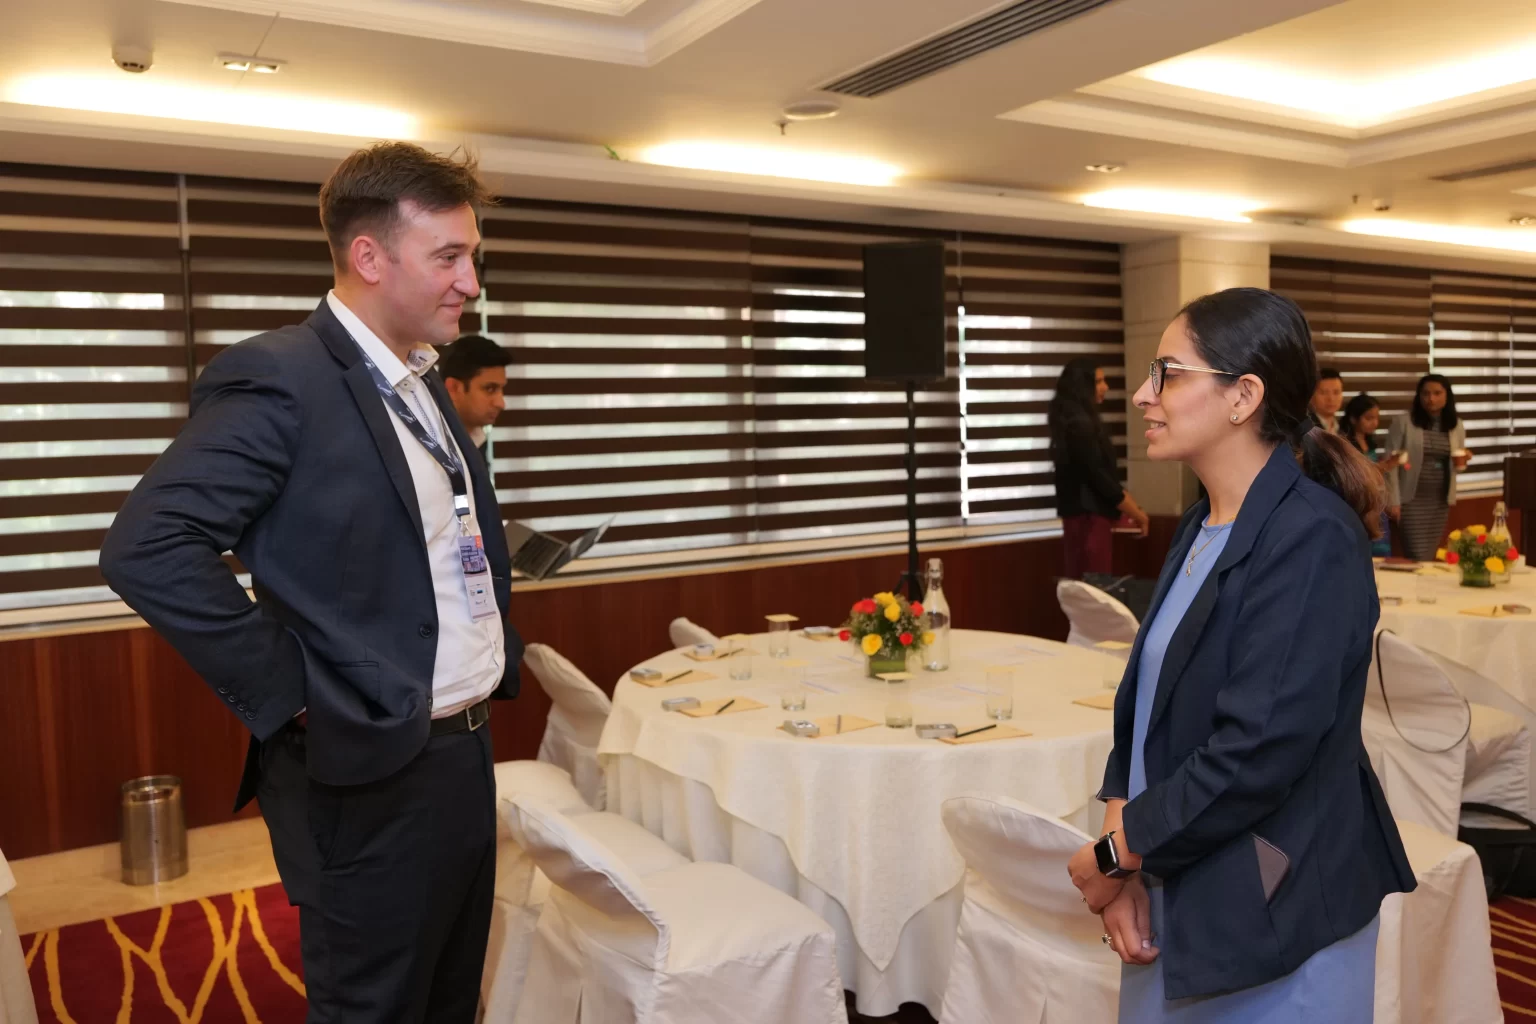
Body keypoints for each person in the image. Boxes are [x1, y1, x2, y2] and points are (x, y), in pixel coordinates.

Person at [99, 142, 522, 1023]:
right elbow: (149, 546)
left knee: (450, 994)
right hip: (369, 768)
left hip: (462, 748)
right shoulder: (281, 376)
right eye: (449, 256)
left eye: (472, 256)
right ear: (369, 256)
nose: (471, 282)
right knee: (376, 1004)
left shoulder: (423, 379)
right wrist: (297, 694)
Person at [1065, 287, 1414, 1021]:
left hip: (1275, 912)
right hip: (1178, 881)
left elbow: (1257, 752)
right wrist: (1122, 855)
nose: (1143, 395)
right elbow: (1146, 715)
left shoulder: (1311, 537)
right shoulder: (1201, 525)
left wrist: (1115, 858)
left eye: (1167, 374)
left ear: (1243, 396)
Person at [1049, 357, 1150, 579]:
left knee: (1083, 587)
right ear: (1082, 385)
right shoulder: (1080, 426)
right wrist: (1137, 513)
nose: (1106, 387)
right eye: (1099, 381)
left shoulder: (1073, 422)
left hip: (1082, 519)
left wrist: (1133, 508)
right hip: (1089, 521)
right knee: (1093, 588)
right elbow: (1101, 479)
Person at [1385, 373, 1468, 562]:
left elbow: (1457, 465)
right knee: (1416, 554)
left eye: (1437, 393)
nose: (1431, 398)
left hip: (1439, 499)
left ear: (1447, 395)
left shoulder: (1456, 426)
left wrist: (1462, 462)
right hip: (1411, 499)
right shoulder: (1404, 422)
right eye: (1425, 393)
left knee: (1429, 555)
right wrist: (1394, 500)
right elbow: (1390, 464)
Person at [438, 333, 508, 466]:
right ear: (453, 388)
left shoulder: (477, 438)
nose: (501, 403)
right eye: (490, 389)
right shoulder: (431, 447)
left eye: (501, 389)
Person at [1341, 392, 1397, 557]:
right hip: (1359, 505)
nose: (1374, 423)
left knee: (1381, 550)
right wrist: (1385, 466)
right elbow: (1358, 473)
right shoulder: (1346, 444)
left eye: (1376, 418)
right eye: (1369, 418)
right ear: (1353, 419)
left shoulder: (1370, 442)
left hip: (1376, 504)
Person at [1308, 366, 1343, 434]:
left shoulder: (1344, 429)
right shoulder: (1307, 429)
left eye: (1336, 392)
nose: (1331, 399)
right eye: (1323, 392)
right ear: (1311, 395)